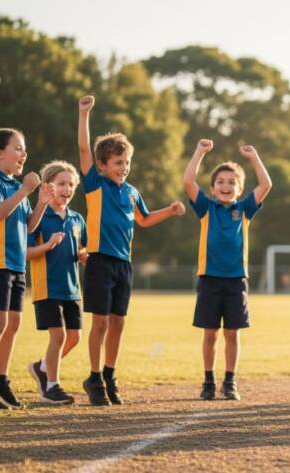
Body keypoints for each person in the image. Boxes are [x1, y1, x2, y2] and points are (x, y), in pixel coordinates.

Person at [78, 95, 186, 406]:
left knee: (118, 322)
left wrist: (170, 209)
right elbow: (84, 149)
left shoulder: (132, 191)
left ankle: (110, 375)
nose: (123, 168)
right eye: (117, 163)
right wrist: (84, 114)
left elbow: (144, 219)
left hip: (123, 265)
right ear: (102, 165)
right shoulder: (95, 185)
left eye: (126, 163)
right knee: (99, 322)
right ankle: (94, 377)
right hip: (99, 260)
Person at [0, 128, 54, 409]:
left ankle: (0, 380)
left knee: (13, 324)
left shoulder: (17, 188)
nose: (23, 155)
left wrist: (40, 203)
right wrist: (26, 189)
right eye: (18, 148)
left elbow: (28, 226)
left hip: (15, 263)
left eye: (24, 149)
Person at [183, 139, 271, 401]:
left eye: (232, 182)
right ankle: (208, 380)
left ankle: (229, 381)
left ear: (239, 188)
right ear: (213, 187)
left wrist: (254, 157)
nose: (226, 186)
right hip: (210, 280)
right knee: (210, 333)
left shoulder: (243, 209)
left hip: (236, 281)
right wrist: (199, 151)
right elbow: (188, 182)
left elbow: (266, 185)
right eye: (221, 181)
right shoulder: (206, 209)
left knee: (232, 333)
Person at [26, 161, 88, 405]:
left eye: (71, 184)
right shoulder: (39, 217)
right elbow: (26, 252)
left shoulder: (77, 219)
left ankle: (42, 367)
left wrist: (84, 254)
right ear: (48, 186)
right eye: (61, 183)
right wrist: (47, 245)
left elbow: (81, 247)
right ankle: (51, 387)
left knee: (74, 337)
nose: (67, 188)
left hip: (72, 289)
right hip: (47, 287)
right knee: (59, 336)